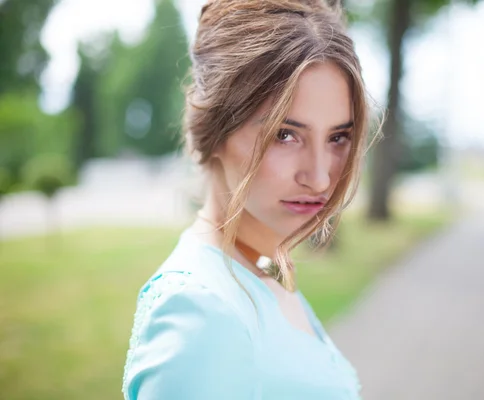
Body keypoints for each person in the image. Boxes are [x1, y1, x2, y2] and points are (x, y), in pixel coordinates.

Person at [122, 0, 380, 398]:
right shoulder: (199, 313)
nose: (320, 176)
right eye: (284, 134)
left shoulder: (256, 266)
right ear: (216, 125)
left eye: (337, 137)